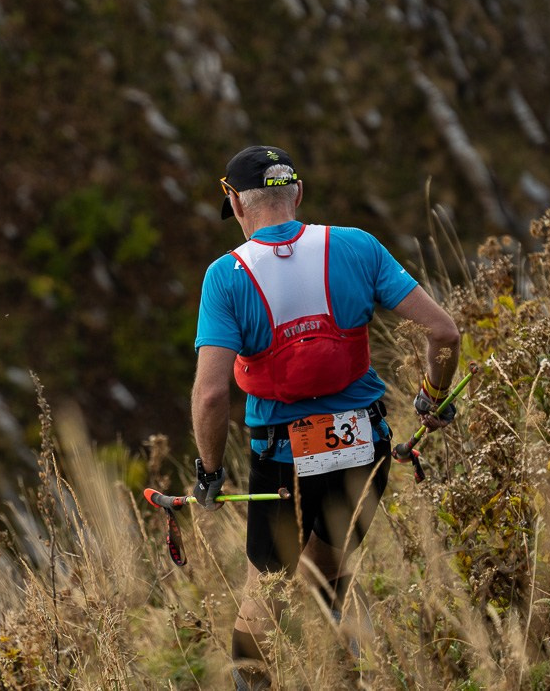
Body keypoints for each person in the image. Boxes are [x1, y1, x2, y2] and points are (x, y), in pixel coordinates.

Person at [191, 145, 460, 689]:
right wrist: (432, 397)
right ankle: (354, 677)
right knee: (330, 570)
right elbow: (444, 332)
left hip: (280, 457)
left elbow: (212, 396)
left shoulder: (226, 276)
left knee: (264, 591)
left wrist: (210, 473)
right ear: (298, 193)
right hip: (365, 442)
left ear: (236, 205)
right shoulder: (356, 246)